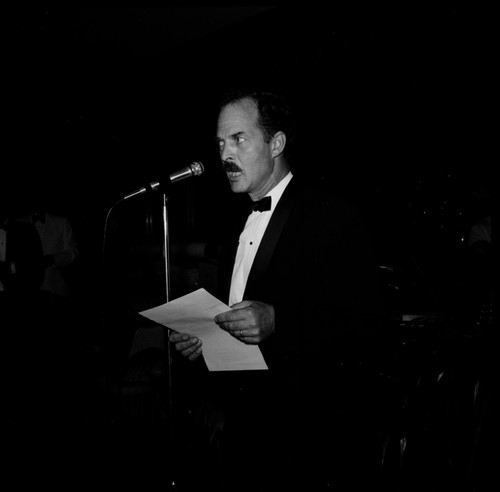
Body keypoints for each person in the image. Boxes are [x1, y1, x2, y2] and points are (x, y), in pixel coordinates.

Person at [169, 88, 386, 491]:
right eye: (220, 142)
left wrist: (279, 320)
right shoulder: (232, 224)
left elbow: (368, 323)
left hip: (309, 438)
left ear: (277, 143)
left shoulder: (331, 215)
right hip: (243, 429)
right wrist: (203, 338)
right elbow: (234, 322)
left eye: (238, 138)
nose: (224, 154)